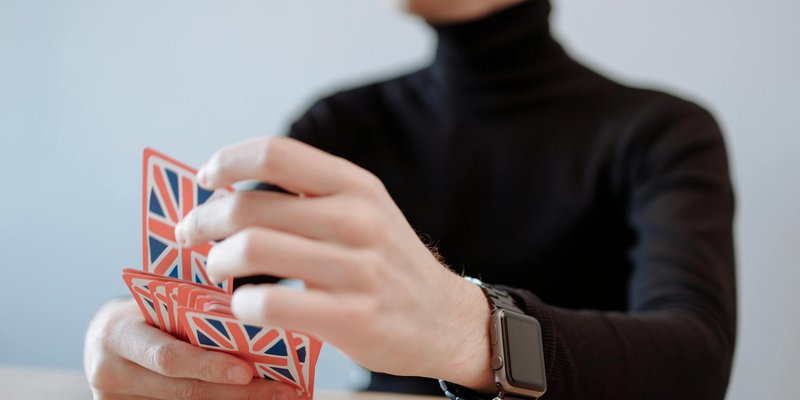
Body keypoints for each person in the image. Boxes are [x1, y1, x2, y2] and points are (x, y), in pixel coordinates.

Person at [84, 0, 737, 399]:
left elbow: (696, 364)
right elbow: (209, 292)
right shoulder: (342, 125)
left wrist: (470, 330)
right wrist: (125, 332)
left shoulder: (663, 133)